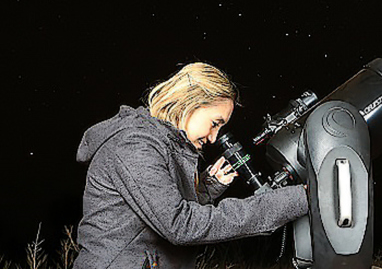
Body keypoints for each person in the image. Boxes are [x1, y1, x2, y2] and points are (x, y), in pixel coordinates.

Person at [73, 62, 309, 268]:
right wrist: (295, 199)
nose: (214, 138)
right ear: (191, 102)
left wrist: (206, 189)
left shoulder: (164, 145)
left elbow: (157, 213)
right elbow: (180, 225)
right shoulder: (134, 145)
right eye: (215, 123)